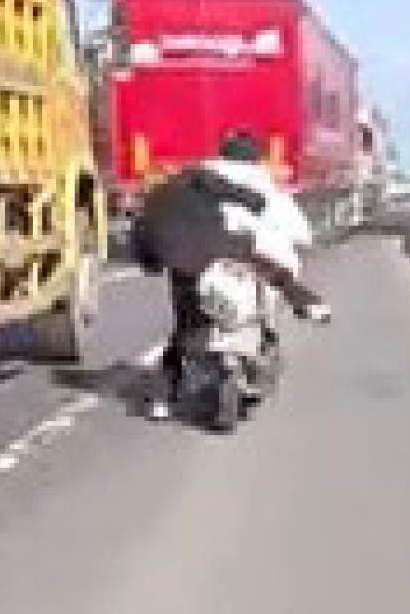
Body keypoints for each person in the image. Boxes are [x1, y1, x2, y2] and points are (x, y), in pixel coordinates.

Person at [129, 131, 331, 422]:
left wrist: (152, 263)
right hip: (220, 249)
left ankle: (162, 398)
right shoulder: (258, 179)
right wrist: (254, 203)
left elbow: (144, 234)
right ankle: (307, 304)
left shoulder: (188, 176)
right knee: (266, 269)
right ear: (254, 156)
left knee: (185, 327)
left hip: (185, 257)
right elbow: (297, 229)